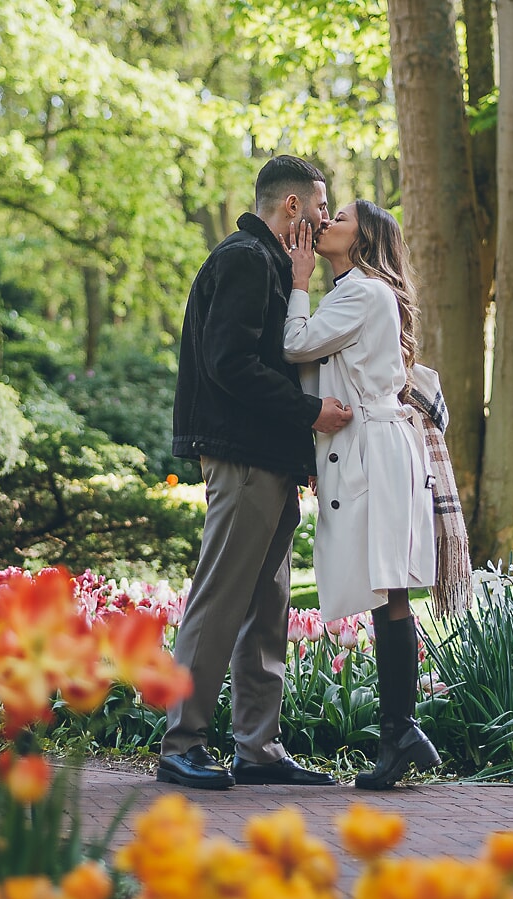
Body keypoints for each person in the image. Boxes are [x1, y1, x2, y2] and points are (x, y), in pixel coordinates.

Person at [158, 155, 355, 790]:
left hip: (271, 458)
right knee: (221, 599)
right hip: (241, 456)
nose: (326, 217)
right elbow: (229, 364)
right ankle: (182, 742)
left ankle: (257, 748)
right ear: (291, 207)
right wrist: (308, 413)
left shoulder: (276, 266)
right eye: (321, 205)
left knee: (266, 608)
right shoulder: (244, 258)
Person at [280, 201, 441, 790]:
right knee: (386, 588)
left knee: (386, 586)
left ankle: (399, 732)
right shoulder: (360, 290)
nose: (326, 223)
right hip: (379, 446)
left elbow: (296, 344)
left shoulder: (362, 292)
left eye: (339, 216)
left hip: (376, 448)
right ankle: (402, 731)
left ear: (365, 235)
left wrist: (297, 284)